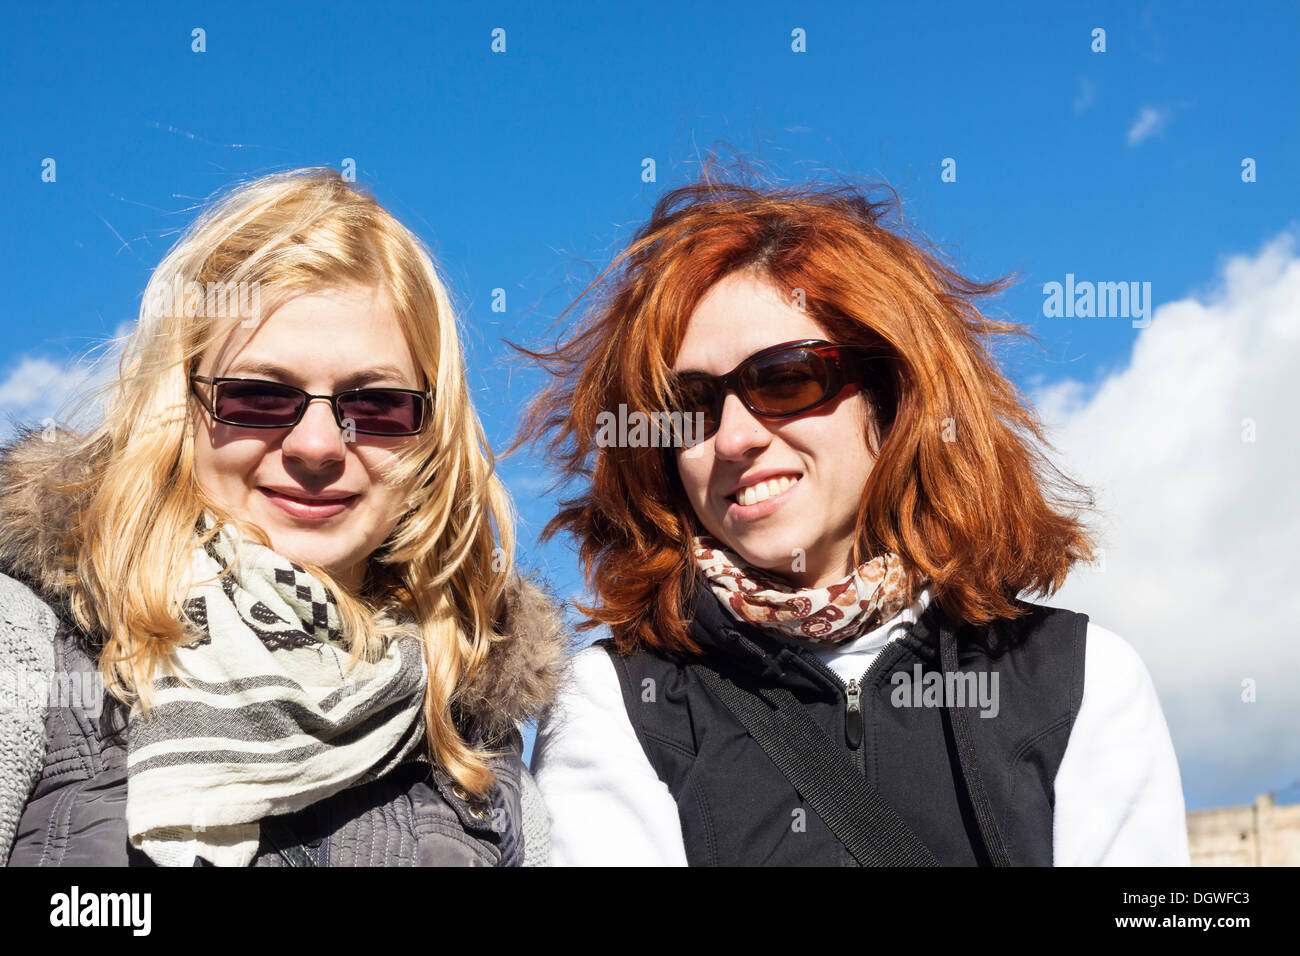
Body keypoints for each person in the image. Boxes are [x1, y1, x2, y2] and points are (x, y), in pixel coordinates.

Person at [517, 172, 1190, 865]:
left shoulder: (1079, 681)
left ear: (893, 395)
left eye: (784, 379)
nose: (734, 438)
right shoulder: (616, 703)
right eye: (687, 404)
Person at [0, 168, 566, 866]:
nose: (320, 446)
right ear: (181, 406)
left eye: (375, 406)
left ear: (429, 432)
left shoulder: (478, 738)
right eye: (261, 396)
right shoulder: (27, 647)